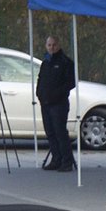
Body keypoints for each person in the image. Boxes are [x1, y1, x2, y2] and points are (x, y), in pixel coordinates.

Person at [36, 36, 76, 173]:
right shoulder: (45, 62)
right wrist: (39, 94)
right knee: (50, 133)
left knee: (60, 132)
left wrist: (57, 94)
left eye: (54, 44)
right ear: (46, 45)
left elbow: (70, 83)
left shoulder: (66, 62)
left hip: (59, 103)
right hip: (45, 103)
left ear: (58, 45)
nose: (51, 47)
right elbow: (40, 79)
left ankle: (67, 161)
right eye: (49, 45)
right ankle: (56, 159)